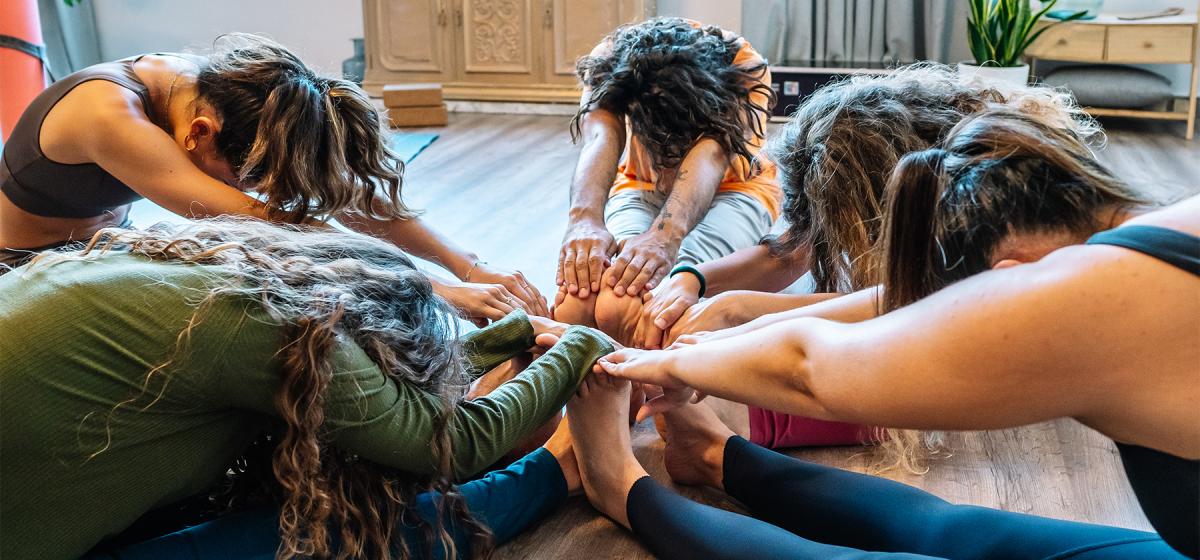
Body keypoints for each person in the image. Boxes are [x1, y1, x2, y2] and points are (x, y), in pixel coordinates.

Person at [592, 110, 1198, 559]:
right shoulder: (1160, 228)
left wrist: (673, 367)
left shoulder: (1086, 297)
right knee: (956, 531)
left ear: (1009, 278)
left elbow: (812, 371)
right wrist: (715, 331)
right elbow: (903, 307)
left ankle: (620, 486)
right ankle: (718, 459)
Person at [0, 219, 613, 559]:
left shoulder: (218, 280)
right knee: (328, 535)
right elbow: (453, 439)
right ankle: (560, 470)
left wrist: (512, 336)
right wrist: (586, 344)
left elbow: (384, 396)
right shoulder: (279, 330)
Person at [564, 63, 1100, 451]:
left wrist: (737, 321)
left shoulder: (995, 210)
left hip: (1018, 351)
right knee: (710, 392)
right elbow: (790, 251)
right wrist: (692, 279)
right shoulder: (897, 155)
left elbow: (914, 310)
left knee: (726, 409)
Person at [0, 33, 545, 323]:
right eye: (247, 179)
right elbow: (282, 227)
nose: (252, 189)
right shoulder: (109, 116)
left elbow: (336, 194)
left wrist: (468, 265)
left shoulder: (223, 91)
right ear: (198, 134)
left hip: (99, 247)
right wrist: (441, 292)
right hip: (23, 272)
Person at [552, 17, 780, 328]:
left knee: (650, 296)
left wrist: (664, 237)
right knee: (584, 300)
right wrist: (584, 221)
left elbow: (712, 154)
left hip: (734, 190)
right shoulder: (610, 61)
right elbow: (600, 136)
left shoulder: (742, 66)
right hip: (640, 184)